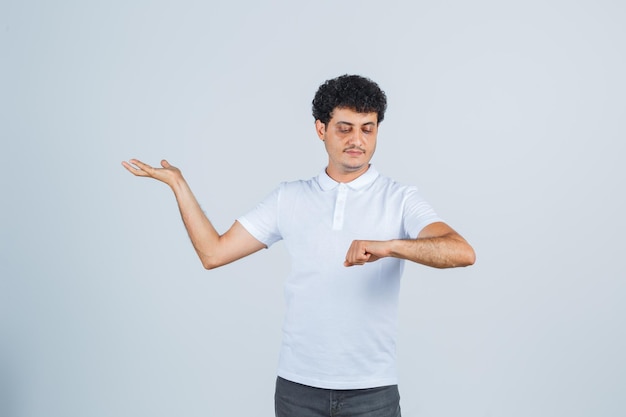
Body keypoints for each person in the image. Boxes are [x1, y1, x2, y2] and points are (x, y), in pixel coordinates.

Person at [122, 74, 475, 417]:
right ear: (321, 129)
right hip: (298, 390)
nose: (357, 140)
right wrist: (178, 185)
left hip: (372, 391)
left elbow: (460, 251)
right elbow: (213, 253)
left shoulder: (399, 199)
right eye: (345, 128)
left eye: (368, 128)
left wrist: (390, 247)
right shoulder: (288, 198)